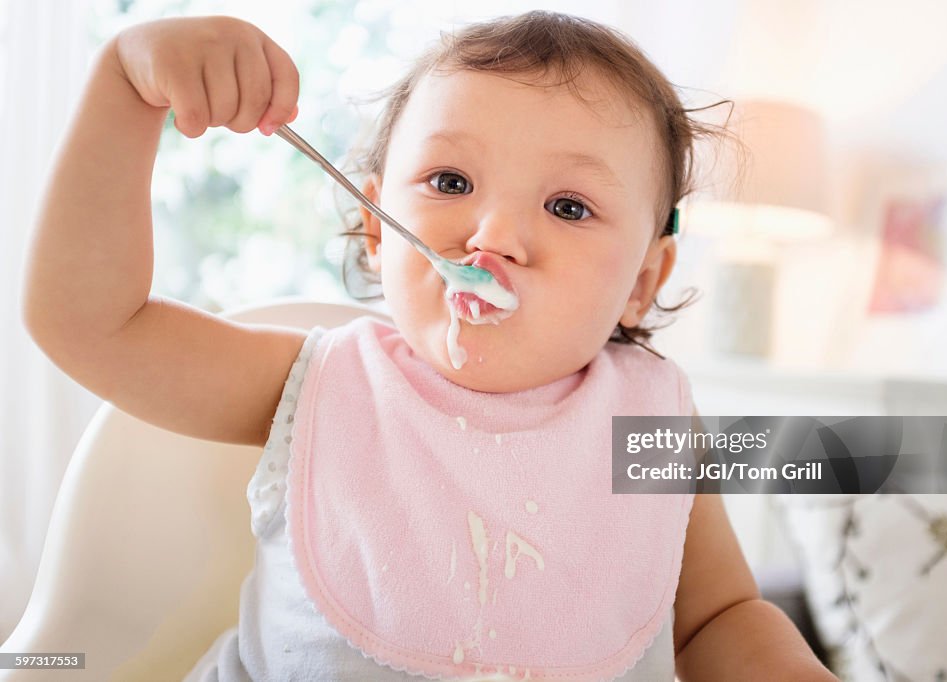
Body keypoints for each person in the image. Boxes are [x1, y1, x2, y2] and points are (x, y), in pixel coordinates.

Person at [20, 10, 836, 681]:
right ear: (376, 227)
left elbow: (719, 620)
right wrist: (124, 89)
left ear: (641, 279)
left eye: (568, 206)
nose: (495, 235)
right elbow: (91, 321)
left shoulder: (653, 419)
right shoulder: (314, 385)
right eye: (451, 183)